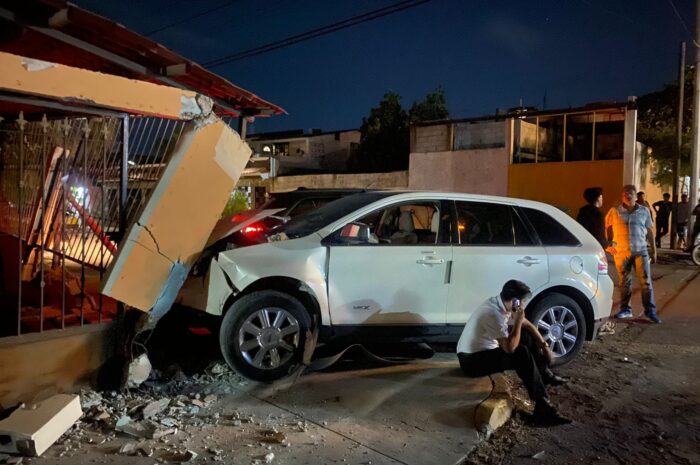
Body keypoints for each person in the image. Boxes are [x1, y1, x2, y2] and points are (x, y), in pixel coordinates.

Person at [457, 280, 571, 426]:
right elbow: (509, 349)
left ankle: (545, 375)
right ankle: (543, 408)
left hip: (480, 353)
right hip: (471, 362)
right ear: (515, 301)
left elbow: (527, 325)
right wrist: (517, 321)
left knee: (525, 336)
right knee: (520, 353)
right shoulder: (492, 313)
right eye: (522, 302)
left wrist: (544, 345)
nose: (523, 306)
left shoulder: (501, 304)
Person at [606, 185, 661, 323]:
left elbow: (649, 231)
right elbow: (606, 227)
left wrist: (654, 250)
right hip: (622, 253)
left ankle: (650, 312)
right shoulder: (615, 211)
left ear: (636, 196)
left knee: (646, 282)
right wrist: (608, 244)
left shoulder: (644, 211)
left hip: (641, 251)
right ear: (622, 196)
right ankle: (625, 310)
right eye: (624, 193)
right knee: (624, 283)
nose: (627, 195)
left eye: (630, 193)